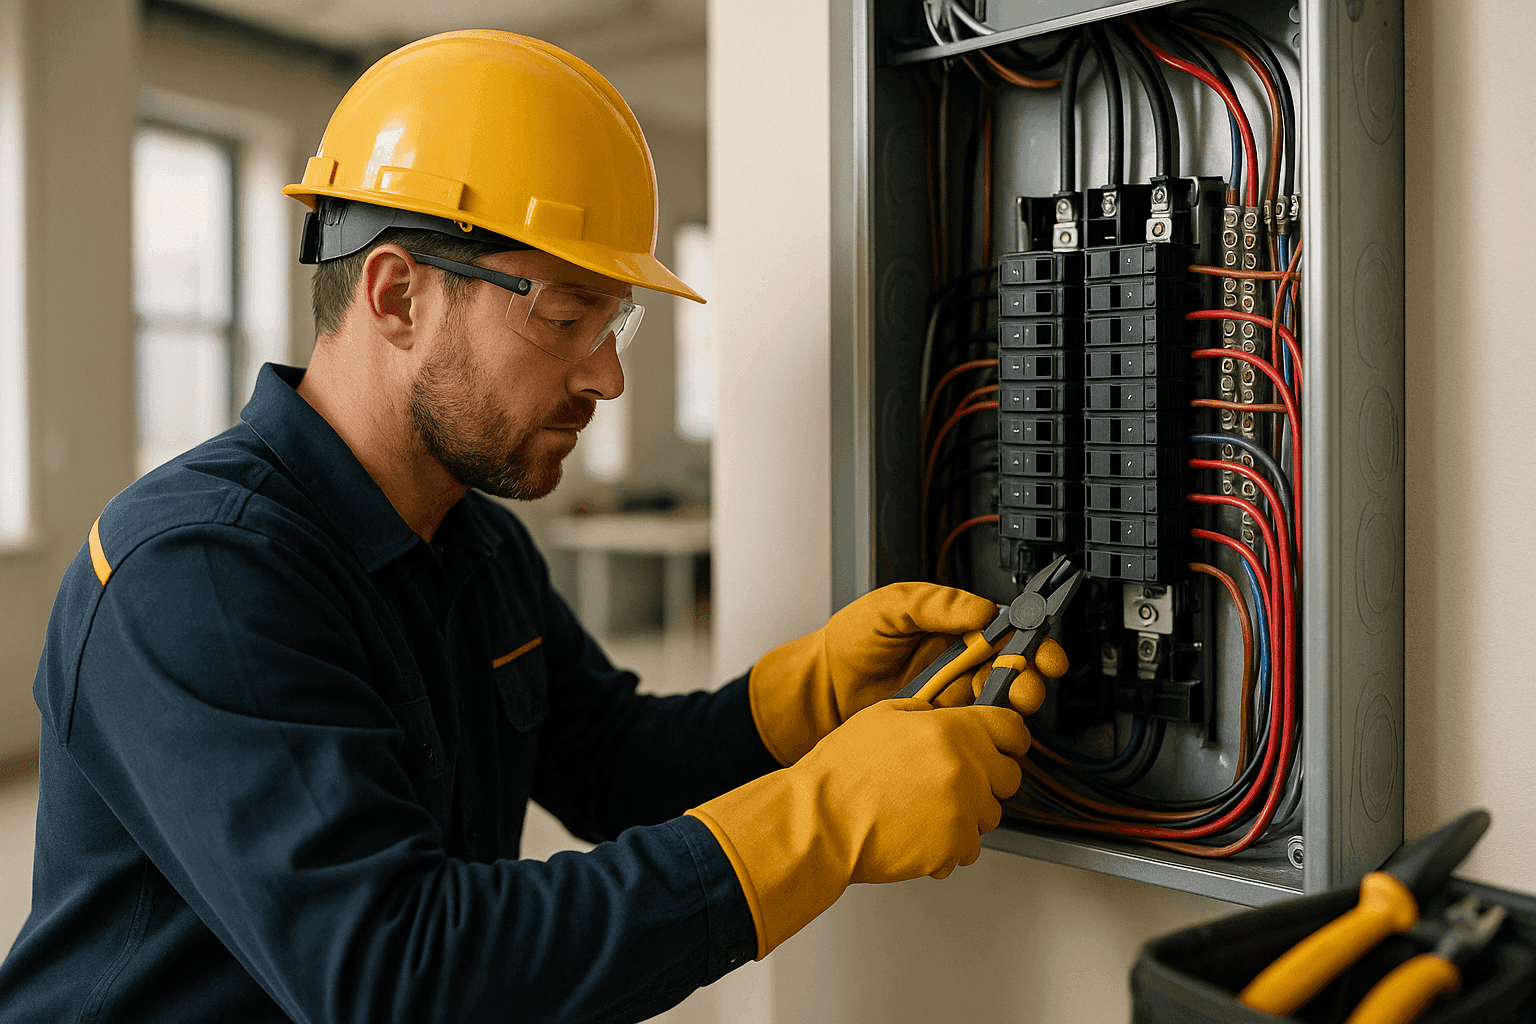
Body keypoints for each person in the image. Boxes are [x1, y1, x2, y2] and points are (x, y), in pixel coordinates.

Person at [0, 30, 1066, 1023]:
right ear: (396, 296)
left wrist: (811, 697)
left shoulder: (470, 536)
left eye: (615, 323)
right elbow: (396, 971)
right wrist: (817, 826)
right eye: (565, 317)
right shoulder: (196, 574)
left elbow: (610, 761)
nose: (606, 375)